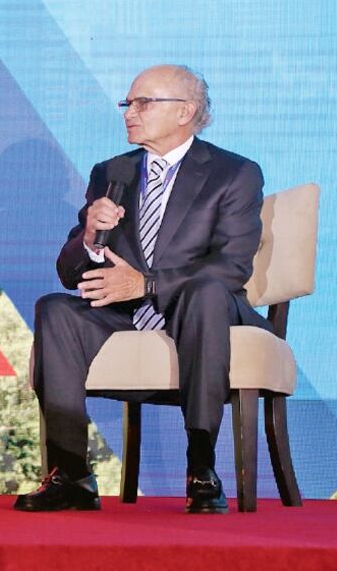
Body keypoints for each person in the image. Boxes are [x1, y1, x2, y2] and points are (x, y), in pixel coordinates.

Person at [14, 64, 270, 514]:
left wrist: (146, 283)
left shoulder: (234, 173)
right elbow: (69, 273)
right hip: (124, 313)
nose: (130, 113)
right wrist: (91, 237)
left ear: (185, 112)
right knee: (55, 308)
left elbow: (230, 268)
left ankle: (201, 466)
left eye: (144, 102)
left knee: (207, 294)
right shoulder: (113, 172)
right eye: (128, 103)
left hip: (199, 310)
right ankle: (71, 472)